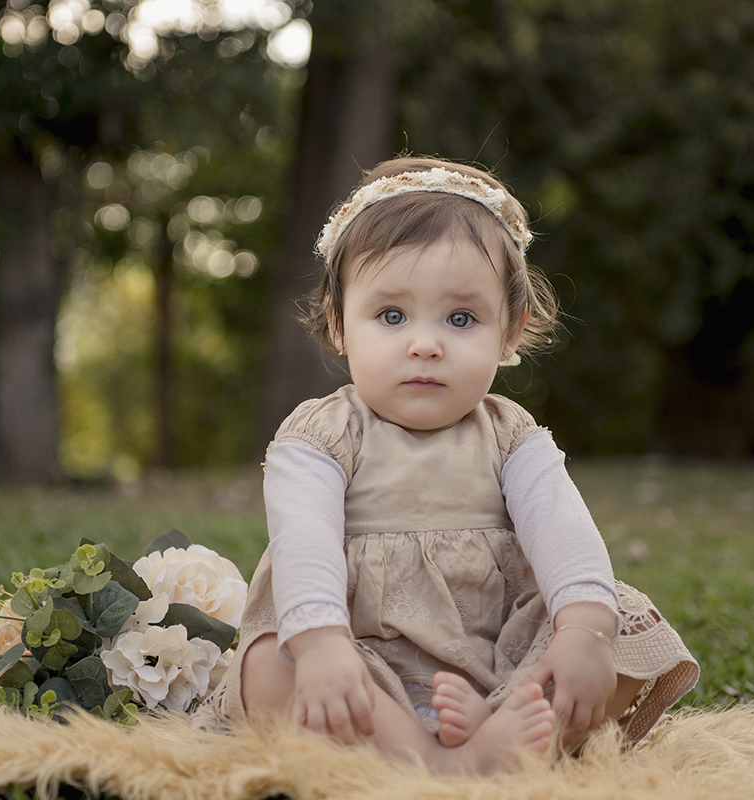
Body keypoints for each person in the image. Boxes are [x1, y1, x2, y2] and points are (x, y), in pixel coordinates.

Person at [193, 156, 698, 774]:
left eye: (461, 319)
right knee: (272, 665)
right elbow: (303, 543)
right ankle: (442, 762)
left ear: (509, 332)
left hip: (497, 655)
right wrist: (323, 643)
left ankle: (500, 722)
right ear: (339, 324)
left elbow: (565, 531)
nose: (425, 343)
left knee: (609, 624)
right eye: (391, 315)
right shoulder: (322, 433)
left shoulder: (511, 436)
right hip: (357, 660)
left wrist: (583, 633)